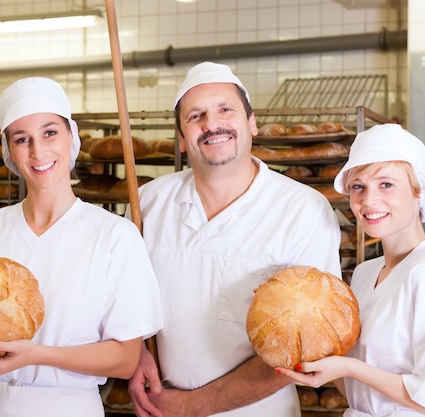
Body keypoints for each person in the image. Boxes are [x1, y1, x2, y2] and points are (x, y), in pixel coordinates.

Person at [0, 77, 163, 417]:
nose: (38, 151)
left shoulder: (114, 236)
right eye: (22, 139)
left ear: (71, 137)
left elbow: (125, 361)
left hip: (65, 405)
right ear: (9, 151)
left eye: (49, 133)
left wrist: (36, 355)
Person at [126, 61, 342, 417]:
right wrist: (136, 356)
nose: (211, 124)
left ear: (251, 122)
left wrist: (194, 406)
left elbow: (303, 345)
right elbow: (125, 301)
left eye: (225, 109)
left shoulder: (303, 210)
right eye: (196, 116)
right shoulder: (148, 202)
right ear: (181, 137)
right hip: (160, 406)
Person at [276, 123, 425, 417]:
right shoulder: (365, 273)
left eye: (386, 184)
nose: (368, 200)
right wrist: (288, 314)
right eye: (358, 187)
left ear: (419, 191)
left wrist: (348, 367)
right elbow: (358, 392)